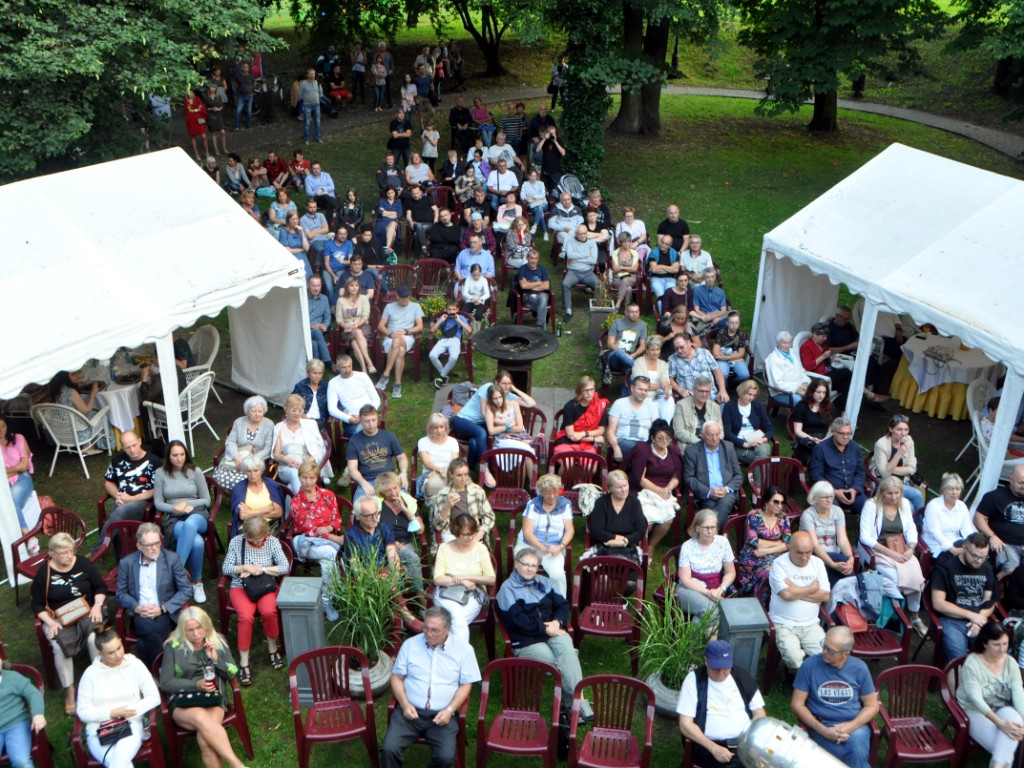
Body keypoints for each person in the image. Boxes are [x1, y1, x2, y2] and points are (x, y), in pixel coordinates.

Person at [497, 547, 593, 721]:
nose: (530, 568)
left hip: (553, 631)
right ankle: (578, 704)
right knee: (561, 664)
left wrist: (557, 623)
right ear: (516, 565)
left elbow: (563, 605)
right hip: (527, 641)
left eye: (534, 565)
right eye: (525, 564)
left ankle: (572, 707)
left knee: (568, 654)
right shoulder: (507, 589)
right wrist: (545, 628)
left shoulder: (544, 582)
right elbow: (519, 622)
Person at [381, 606, 480, 768]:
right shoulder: (410, 645)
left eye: (435, 630)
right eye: (426, 628)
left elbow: (466, 685)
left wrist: (450, 710)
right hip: (410, 712)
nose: (428, 633)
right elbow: (397, 678)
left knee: (446, 758)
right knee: (389, 749)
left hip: (441, 715)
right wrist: (405, 704)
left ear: (448, 630)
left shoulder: (464, 650)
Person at [159, 607, 250, 768]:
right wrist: (195, 685)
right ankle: (236, 763)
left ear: (206, 625)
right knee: (200, 718)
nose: (195, 633)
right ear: (182, 629)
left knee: (206, 742)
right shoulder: (173, 646)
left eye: (199, 627)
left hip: (213, 698)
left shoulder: (218, 641)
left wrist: (216, 660)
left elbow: (232, 673)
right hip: (184, 701)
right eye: (190, 630)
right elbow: (165, 682)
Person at [32, 532, 108, 714]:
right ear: (52, 554)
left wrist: (97, 606)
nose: (69, 556)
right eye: (63, 552)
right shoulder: (44, 573)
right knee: (59, 646)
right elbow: (36, 603)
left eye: (71, 551)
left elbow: (100, 587)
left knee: (93, 638)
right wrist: (50, 622)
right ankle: (70, 689)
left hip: (86, 610)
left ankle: (100, 680)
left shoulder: (83, 564)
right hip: (59, 617)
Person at [792, 626, 878, 768]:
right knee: (842, 758)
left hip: (853, 725)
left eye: (831, 650)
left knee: (855, 749)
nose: (824, 651)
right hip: (821, 724)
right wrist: (823, 730)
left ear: (846, 654)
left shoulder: (859, 668)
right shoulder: (809, 666)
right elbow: (797, 704)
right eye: (824, 645)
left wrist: (851, 726)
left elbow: (872, 705)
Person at [115, 523, 195, 674]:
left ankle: (157, 674)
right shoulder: (127, 563)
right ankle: (168, 672)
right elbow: (120, 594)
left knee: (144, 642)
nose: (154, 548)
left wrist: (163, 608)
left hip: (165, 611)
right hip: (141, 613)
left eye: (157, 543)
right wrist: (137, 608)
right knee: (150, 629)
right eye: (149, 545)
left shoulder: (171, 559)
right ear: (139, 546)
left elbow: (186, 589)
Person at [76, 628, 160, 768]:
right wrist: (111, 713)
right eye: (110, 652)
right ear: (100, 653)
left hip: (131, 723)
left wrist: (129, 711)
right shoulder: (90, 674)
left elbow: (154, 697)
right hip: (98, 730)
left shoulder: (135, 664)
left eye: (119, 648)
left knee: (118, 763)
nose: (117, 655)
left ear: (121, 642)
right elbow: (83, 712)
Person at [221, 516, 288, 686]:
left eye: (261, 539)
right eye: (253, 541)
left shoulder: (272, 542)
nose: (258, 543)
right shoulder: (237, 542)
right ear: (246, 536)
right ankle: (244, 660)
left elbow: (284, 566)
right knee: (245, 616)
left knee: (269, 611)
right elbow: (226, 568)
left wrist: (261, 569)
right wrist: (243, 567)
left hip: (264, 584)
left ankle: (273, 648)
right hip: (241, 586)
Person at [677, 640, 766, 768]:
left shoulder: (741, 676)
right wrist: (714, 748)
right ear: (706, 661)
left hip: (744, 744)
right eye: (716, 668)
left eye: (726, 667)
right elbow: (685, 724)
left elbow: (759, 713)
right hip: (709, 747)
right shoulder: (693, 681)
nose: (721, 673)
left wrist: (749, 737)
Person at [857, 476, 928, 636]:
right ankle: (892, 619)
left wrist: (911, 548)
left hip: (901, 548)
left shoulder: (904, 504)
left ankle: (915, 617)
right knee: (895, 579)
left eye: (897, 493)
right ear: (882, 492)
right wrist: (890, 553)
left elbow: (911, 529)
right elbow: (865, 536)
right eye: (890, 493)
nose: (894, 497)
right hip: (879, 550)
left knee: (916, 577)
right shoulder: (871, 505)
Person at [956, 620, 1024, 768]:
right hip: (974, 711)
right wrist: (1000, 723)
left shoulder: (1010, 662)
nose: (1002, 649)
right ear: (985, 643)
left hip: (1002, 707)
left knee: (1015, 725)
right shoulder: (972, 663)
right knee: (1007, 745)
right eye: (997, 644)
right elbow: (976, 699)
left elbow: (1018, 691)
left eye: (1005, 644)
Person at [768, 531, 829, 688]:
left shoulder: (817, 563)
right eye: (799, 553)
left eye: (808, 552)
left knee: (828, 657)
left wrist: (796, 590)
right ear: (789, 548)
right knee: (795, 659)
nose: (804, 557)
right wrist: (811, 588)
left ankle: (799, 678)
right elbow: (786, 594)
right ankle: (804, 683)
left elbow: (825, 596)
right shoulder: (780, 564)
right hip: (783, 624)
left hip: (811, 625)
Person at [152, 442, 208, 603]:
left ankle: (174, 573)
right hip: (175, 516)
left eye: (182, 454)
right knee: (196, 542)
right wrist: (174, 508)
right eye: (175, 455)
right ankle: (197, 582)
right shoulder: (161, 473)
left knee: (190, 524)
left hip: (197, 514)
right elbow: (158, 503)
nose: (179, 458)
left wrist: (188, 505)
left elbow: (206, 499)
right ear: (168, 456)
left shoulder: (195, 471)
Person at [289, 459, 344, 621]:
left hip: (326, 539)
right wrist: (334, 537)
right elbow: (308, 528)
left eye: (312, 478)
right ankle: (336, 592)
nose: (308, 482)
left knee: (328, 559)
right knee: (330, 552)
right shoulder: (296, 502)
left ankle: (327, 599)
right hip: (306, 541)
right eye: (304, 477)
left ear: (317, 478)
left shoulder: (328, 496)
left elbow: (337, 518)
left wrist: (329, 527)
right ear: (299, 478)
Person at [450, 370, 535, 473]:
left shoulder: (505, 395)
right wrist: (505, 423)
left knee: (474, 441)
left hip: (480, 424)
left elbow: (531, 403)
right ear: (496, 382)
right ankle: (485, 468)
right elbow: (484, 413)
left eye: (509, 384)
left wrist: (515, 389)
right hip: (463, 421)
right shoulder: (488, 388)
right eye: (504, 383)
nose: (506, 386)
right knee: (481, 433)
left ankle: (471, 468)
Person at [930, 531, 997, 661]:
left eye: (984, 557)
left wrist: (979, 619)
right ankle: (960, 679)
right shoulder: (945, 568)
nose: (979, 561)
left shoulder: (987, 569)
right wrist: (971, 615)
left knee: (997, 654)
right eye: (975, 556)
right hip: (951, 620)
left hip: (979, 619)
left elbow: (989, 601)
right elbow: (938, 603)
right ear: (964, 548)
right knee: (959, 658)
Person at [92, 431, 159, 559]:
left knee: (120, 512)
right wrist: (117, 495)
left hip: (143, 502)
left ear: (139, 441)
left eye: (134, 445)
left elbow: (157, 490)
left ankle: (97, 550)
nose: (132, 450)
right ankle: (121, 560)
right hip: (122, 499)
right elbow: (109, 482)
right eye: (127, 447)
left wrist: (132, 499)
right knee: (119, 515)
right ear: (122, 447)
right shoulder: (117, 460)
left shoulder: (153, 462)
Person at [432, 513, 496, 644]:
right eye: (465, 534)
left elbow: (491, 579)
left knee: (455, 620)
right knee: (457, 617)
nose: (470, 537)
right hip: (447, 591)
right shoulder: (444, 548)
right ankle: (462, 658)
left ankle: (444, 650)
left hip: (473, 593)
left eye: (472, 533)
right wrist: (462, 581)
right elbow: (437, 579)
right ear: (456, 533)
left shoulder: (480, 549)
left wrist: (468, 577)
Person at [623, 420, 682, 550]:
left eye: (667, 437)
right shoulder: (643, 450)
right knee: (646, 522)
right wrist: (658, 490)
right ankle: (638, 546)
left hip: (664, 491)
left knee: (667, 519)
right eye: (660, 438)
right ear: (652, 438)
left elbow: (676, 476)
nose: (664, 441)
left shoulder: (673, 452)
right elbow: (640, 478)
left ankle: (651, 547)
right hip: (643, 490)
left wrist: (668, 489)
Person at [513, 475, 574, 596]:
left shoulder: (565, 504)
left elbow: (569, 530)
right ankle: (522, 601)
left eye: (555, 492)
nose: (552, 496)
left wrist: (561, 546)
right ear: (541, 492)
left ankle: (559, 608)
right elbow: (528, 532)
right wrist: (544, 548)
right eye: (547, 493)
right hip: (529, 545)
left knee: (557, 576)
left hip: (554, 547)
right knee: (524, 570)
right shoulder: (532, 505)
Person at [375, 472, 426, 602]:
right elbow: (371, 529)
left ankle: (415, 598)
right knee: (411, 559)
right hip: (383, 543)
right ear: (382, 492)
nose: (393, 492)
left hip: (404, 542)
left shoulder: (408, 501)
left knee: (410, 558)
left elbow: (420, 530)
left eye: (395, 488)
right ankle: (409, 600)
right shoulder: (377, 503)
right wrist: (390, 541)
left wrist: (404, 509)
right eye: (388, 490)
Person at [676, 509, 735, 618]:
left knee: (709, 615)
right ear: (697, 528)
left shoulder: (722, 542)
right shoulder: (688, 546)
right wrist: (708, 594)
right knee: (712, 611)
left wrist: (720, 589)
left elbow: (730, 572)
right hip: (690, 589)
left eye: (713, 527)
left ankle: (692, 635)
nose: (710, 531)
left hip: (716, 588)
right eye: (706, 528)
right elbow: (685, 580)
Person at [684, 421, 743, 529]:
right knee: (711, 508)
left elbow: (738, 475)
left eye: (717, 435)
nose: (715, 438)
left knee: (724, 504)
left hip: (727, 492)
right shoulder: (692, 452)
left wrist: (726, 489)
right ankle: (718, 538)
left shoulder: (728, 447)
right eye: (711, 435)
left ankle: (710, 536)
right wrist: (709, 492)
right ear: (702, 434)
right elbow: (689, 478)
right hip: (706, 495)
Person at [272, 393, 329, 502]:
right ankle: (307, 503)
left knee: (291, 487)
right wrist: (286, 459)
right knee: (294, 473)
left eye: (300, 410)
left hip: (306, 465)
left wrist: (306, 465)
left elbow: (316, 450)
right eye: (294, 410)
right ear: (286, 409)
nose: (297, 413)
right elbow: (276, 455)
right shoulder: (279, 427)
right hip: (286, 467)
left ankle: (291, 513)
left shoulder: (309, 425)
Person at [347, 404, 408, 504]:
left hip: (389, 478)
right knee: (361, 507)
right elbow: (352, 468)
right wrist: (363, 483)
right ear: (361, 421)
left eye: (373, 420)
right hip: (369, 481)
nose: (371, 424)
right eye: (367, 421)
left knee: (406, 503)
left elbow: (401, 457)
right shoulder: (355, 441)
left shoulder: (388, 436)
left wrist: (404, 472)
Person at [211, 396, 274, 492]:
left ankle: (240, 496)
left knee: (246, 479)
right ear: (248, 411)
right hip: (236, 459)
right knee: (222, 477)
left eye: (260, 411)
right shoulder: (239, 422)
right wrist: (236, 457)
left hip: (255, 461)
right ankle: (235, 496)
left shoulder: (269, 424)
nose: (257, 414)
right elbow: (230, 441)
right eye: (253, 411)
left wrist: (251, 460)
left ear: (264, 411)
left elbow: (268, 448)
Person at [737, 486, 792, 595]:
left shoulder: (783, 518)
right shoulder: (754, 516)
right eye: (776, 502)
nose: (779, 506)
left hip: (772, 556)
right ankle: (760, 601)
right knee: (770, 572)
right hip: (753, 557)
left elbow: (789, 543)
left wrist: (766, 550)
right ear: (766, 501)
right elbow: (753, 542)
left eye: (782, 503)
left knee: (784, 572)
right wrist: (778, 543)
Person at [800, 481, 855, 587]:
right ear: (815, 499)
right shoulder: (808, 515)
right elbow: (814, 545)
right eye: (825, 497)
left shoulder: (838, 511)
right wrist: (833, 565)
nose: (830, 500)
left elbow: (842, 539)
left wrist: (850, 558)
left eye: (831, 496)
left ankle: (846, 596)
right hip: (815, 556)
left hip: (836, 555)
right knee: (841, 573)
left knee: (844, 566)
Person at [808, 417, 866, 514]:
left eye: (848, 433)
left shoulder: (855, 447)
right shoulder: (821, 449)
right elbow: (816, 476)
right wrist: (834, 491)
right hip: (829, 494)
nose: (846, 437)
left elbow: (860, 472)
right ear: (833, 431)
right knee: (832, 512)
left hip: (852, 493)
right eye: (842, 433)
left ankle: (863, 529)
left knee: (871, 509)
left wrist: (855, 489)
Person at [429, 458, 494, 544]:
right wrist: (446, 506)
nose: (463, 479)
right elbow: (437, 525)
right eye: (459, 475)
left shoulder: (477, 491)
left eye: (466, 474)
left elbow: (489, 516)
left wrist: (479, 534)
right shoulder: (443, 494)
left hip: (473, 532)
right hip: (453, 534)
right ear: (451, 474)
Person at [377, 285, 425, 399]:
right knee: (400, 350)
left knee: (398, 341)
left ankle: (386, 374)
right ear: (397, 296)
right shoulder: (389, 307)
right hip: (390, 338)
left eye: (407, 297)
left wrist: (406, 331)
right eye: (403, 297)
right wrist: (390, 334)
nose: (405, 300)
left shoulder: (415, 307)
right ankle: (398, 383)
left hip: (407, 337)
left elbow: (420, 327)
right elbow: (380, 326)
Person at [975, 466, 1024, 576]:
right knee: (1011, 570)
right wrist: (991, 536)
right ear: (1011, 479)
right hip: (1005, 545)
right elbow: (978, 518)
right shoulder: (995, 496)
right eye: (1021, 483)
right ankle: (993, 589)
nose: (1023, 486)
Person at [550, 376, 609, 463]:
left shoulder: (600, 406)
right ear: (579, 391)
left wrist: (583, 433)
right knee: (568, 464)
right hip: (566, 441)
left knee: (590, 468)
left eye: (592, 389)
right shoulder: (570, 406)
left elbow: (600, 431)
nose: (589, 393)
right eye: (586, 390)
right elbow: (571, 435)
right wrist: (593, 439)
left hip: (587, 445)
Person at [0, 659, 46, 768]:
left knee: (22, 762)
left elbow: (33, 693)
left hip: (16, 724)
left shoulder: (13, 678)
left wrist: (37, 714)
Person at [49, 370, 111, 451]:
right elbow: (86, 410)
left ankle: (89, 444)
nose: (77, 375)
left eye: (77, 372)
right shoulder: (71, 392)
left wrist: (77, 384)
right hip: (77, 431)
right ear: (65, 377)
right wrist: (93, 393)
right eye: (73, 374)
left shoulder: (58, 389)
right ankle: (101, 445)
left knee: (94, 412)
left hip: (63, 429)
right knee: (102, 414)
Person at [922, 472, 976, 560]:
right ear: (943, 490)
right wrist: (951, 549)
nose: (954, 492)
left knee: (974, 556)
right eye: (950, 489)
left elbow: (967, 529)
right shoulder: (933, 506)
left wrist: (972, 544)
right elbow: (935, 533)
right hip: (936, 545)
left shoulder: (962, 506)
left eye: (957, 489)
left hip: (955, 541)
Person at [228, 455, 285, 538]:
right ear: (245, 472)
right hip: (248, 525)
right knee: (251, 538)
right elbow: (242, 516)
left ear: (261, 471)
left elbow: (278, 512)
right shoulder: (239, 488)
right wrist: (267, 509)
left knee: (261, 538)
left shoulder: (271, 485)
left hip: (270, 524)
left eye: (256, 470)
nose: (252, 474)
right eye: (249, 471)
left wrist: (250, 513)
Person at [607, 377, 660, 461]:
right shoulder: (619, 404)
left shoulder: (652, 406)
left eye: (646, 390)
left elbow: (656, 430)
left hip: (644, 443)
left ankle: (634, 470)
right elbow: (610, 431)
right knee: (643, 451)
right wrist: (616, 448)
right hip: (623, 442)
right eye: (640, 389)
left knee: (643, 450)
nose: (643, 392)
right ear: (632, 388)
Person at [721, 380, 774, 465]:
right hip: (739, 444)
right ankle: (763, 477)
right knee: (762, 460)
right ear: (742, 391)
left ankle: (758, 477)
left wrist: (763, 439)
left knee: (762, 453)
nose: (751, 398)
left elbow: (769, 428)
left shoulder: (758, 406)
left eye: (754, 395)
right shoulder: (730, 407)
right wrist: (744, 444)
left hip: (758, 440)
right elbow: (727, 433)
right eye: (749, 394)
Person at [1, 416, 34, 546]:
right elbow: (19, 466)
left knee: (10, 501)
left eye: (3, 426)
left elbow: (24, 466)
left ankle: (26, 536)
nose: (0, 430)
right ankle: (28, 536)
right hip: (3, 482)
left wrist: (5, 471)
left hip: (22, 478)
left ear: (7, 426)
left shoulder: (18, 438)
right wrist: (16, 468)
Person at [668, 333, 729, 403]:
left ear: (689, 343)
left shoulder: (705, 353)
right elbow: (670, 379)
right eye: (676, 348)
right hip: (690, 399)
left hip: (711, 396)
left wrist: (722, 390)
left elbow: (717, 371)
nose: (679, 351)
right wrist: (680, 390)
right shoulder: (673, 359)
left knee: (726, 405)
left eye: (681, 347)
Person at [343, 496, 399, 569]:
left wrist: (394, 577)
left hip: (386, 571)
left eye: (376, 513)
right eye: (369, 516)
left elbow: (392, 555)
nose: (375, 519)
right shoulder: (350, 535)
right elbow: (355, 565)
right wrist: (375, 579)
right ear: (358, 516)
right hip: (365, 576)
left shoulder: (385, 527)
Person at [429, 299, 472, 389]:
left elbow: (469, 330)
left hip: (455, 340)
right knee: (432, 355)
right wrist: (441, 321)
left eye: (453, 309)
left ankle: (441, 377)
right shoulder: (443, 317)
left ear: (457, 309)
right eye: (449, 309)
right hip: (444, 340)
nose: (451, 311)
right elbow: (432, 330)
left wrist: (459, 320)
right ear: (446, 309)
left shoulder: (461, 317)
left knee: (453, 357)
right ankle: (443, 376)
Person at [672, 376, 723, 451]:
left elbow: (720, 432)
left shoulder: (715, 407)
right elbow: (679, 432)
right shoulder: (681, 405)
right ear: (694, 390)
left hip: (712, 445)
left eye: (707, 391)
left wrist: (712, 442)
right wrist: (701, 442)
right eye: (701, 391)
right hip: (690, 444)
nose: (704, 394)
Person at [415, 415, 460, 501]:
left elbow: (455, 462)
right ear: (430, 428)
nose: (439, 431)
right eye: (435, 428)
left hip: (450, 472)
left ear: (445, 427)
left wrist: (448, 473)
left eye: (441, 427)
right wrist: (440, 470)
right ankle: (441, 509)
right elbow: (427, 463)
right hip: (430, 473)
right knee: (438, 487)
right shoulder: (423, 442)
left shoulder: (453, 442)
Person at [762, 331, 811, 408]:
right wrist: (797, 388)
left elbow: (801, 370)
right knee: (803, 403)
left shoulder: (792, 352)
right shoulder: (773, 359)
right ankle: (800, 419)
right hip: (782, 393)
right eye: (784, 343)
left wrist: (805, 382)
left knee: (817, 395)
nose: (787, 345)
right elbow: (778, 384)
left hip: (799, 387)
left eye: (789, 342)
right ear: (777, 343)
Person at [562, 224, 599, 323]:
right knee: (565, 284)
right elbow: (569, 255)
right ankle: (568, 310)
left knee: (599, 285)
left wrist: (577, 260)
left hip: (588, 272)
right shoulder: (570, 241)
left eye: (584, 233)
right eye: (580, 234)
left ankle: (597, 307)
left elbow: (593, 260)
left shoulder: (592, 243)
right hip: (573, 272)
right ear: (576, 234)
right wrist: (586, 255)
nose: (583, 236)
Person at [791, 379, 832, 465]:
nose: (821, 395)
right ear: (812, 391)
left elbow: (833, 427)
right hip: (807, 441)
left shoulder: (829, 407)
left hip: (825, 440)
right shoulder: (802, 406)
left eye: (824, 393)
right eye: (818, 392)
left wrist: (825, 439)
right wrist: (812, 438)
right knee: (817, 458)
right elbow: (798, 431)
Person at [604, 301, 648, 381]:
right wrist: (622, 353)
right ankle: (640, 368)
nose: (635, 314)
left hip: (630, 358)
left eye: (637, 312)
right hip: (615, 356)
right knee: (620, 352)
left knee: (633, 377)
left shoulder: (642, 325)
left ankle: (626, 393)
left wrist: (634, 354)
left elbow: (643, 345)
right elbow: (610, 344)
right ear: (626, 312)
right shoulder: (617, 323)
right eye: (632, 312)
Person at [711, 311, 751, 384]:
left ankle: (732, 383)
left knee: (745, 375)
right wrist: (724, 357)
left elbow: (741, 353)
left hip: (731, 357)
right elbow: (716, 352)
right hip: (724, 357)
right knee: (723, 374)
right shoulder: (721, 333)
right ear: (727, 323)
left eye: (736, 323)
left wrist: (726, 357)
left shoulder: (741, 334)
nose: (734, 325)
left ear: (739, 323)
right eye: (732, 323)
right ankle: (723, 387)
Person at [515, 248, 551, 329]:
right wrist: (539, 283)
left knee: (543, 298)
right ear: (527, 258)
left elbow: (546, 286)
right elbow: (523, 286)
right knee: (543, 305)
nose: (533, 261)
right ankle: (541, 329)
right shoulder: (522, 269)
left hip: (541, 295)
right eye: (531, 258)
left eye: (535, 258)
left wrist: (529, 285)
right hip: (527, 296)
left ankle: (539, 326)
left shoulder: (543, 269)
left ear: (538, 259)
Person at [292, 359, 328, 432]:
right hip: (303, 420)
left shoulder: (326, 386)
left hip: (321, 422)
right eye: (315, 373)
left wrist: (344, 411)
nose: (318, 376)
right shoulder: (300, 386)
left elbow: (335, 402)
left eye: (320, 373)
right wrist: (303, 416)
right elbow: (292, 404)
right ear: (308, 373)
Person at [690, 268, 728, 335]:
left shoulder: (721, 292)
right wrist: (707, 317)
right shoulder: (697, 290)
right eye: (707, 277)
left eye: (712, 277)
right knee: (722, 328)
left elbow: (723, 310)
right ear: (704, 278)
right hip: (704, 316)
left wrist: (714, 317)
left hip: (717, 316)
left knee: (727, 323)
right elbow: (696, 309)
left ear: (715, 277)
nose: (710, 279)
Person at [278, 210, 313, 280]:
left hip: (303, 259)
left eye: (296, 219)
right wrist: (300, 249)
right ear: (288, 220)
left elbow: (306, 248)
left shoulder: (300, 230)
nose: (295, 221)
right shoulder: (283, 231)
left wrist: (302, 233)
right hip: (291, 260)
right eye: (292, 219)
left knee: (308, 281)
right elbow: (287, 250)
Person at [405, 184, 438, 255]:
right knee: (418, 225)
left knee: (416, 234)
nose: (415, 195)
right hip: (415, 224)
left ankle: (416, 257)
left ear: (420, 192)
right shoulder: (409, 201)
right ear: (411, 194)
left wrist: (435, 221)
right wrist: (410, 222)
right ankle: (423, 246)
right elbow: (408, 214)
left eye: (417, 193)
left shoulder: (427, 199)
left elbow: (436, 210)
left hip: (429, 225)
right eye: (413, 194)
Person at [304, 162, 338, 228]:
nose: (316, 170)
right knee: (324, 196)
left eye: (318, 168)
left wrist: (323, 189)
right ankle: (337, 206)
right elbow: (308, 192)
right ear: (311, 169)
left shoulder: (326, 175)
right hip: (318, 199)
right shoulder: (308, 179)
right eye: (314, 169)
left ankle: (328, 225)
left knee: (328, 204)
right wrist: (316, 193)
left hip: (329, 198)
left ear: (320, 168)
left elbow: (332, 187)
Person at [520, 170, 548, 239]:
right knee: (540, 210)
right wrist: (535, 198)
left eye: (535, 176)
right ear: (529, 176)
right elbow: (522, 196)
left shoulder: (541, 183)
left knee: (539, 208)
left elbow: (543, 195)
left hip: (543, 203)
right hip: (532, 205)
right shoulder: (525, 184)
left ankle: (535, 226)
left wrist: (532, 197)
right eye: (532, 176)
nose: (533, 178)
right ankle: (545, 232)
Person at [183, 90, 209, 161]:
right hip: (191, 120)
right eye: (189, 93)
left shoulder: (197, 99)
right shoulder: (186, 101)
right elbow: (188, 110)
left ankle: (207, 153)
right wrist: (197, 109)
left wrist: (196, 110)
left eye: (191, 93)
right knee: (193, 137)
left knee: (204, 136)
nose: (190, 94)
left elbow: (201, 107)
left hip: (199, 119)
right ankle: (196, 154)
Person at [233, 61, 254, 129]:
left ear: (248, 68)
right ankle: (236, 126)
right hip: (241, 96)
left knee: (249, 111)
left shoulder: (251, 76)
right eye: (244, 67)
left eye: (246, 67)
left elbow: (254, 84)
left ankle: (248, 124)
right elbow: (235, 85)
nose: (245, 68)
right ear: (242, 67)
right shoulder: (238, 76)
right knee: (238, 111)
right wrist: (239, 90)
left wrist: (250, 89)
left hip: (250, 95)